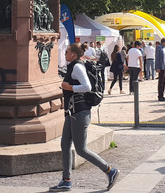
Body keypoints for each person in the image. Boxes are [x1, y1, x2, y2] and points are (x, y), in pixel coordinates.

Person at [50, 43, 119, 191]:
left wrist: (69, 87)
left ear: (73, 54)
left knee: (81, 149)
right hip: (72, 112)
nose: (65, 54)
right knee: (65, 145)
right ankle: (66, 180)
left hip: (79, 113)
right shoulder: (73, 66)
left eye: (67, 52)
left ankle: (110, 171)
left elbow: (87, 86)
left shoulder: (77, 67)